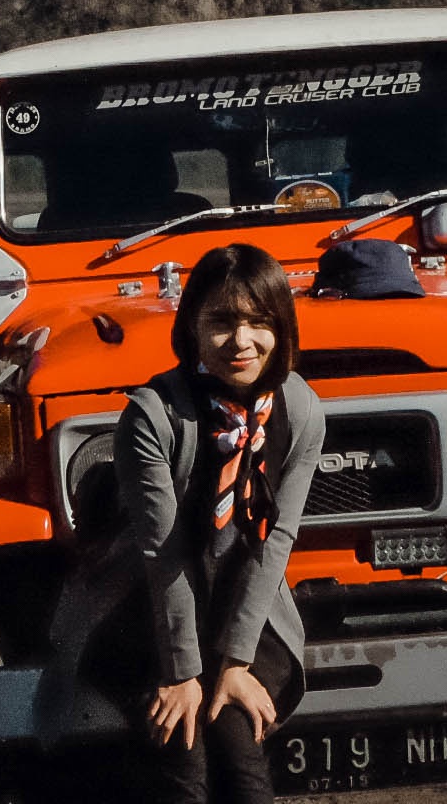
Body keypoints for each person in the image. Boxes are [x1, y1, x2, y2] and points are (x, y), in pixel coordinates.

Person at [44, 243, 327, 804]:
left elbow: (275, 545)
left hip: (246, 609)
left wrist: (236, 663)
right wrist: (182, 674)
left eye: (258, 322)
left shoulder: (301, 410)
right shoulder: (153, 414)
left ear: (282, 327)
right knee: (184, 746)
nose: (241, 341)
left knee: (235, 729)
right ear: (192, 326)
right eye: (221, 322)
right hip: (143, 606)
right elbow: (162, 551)